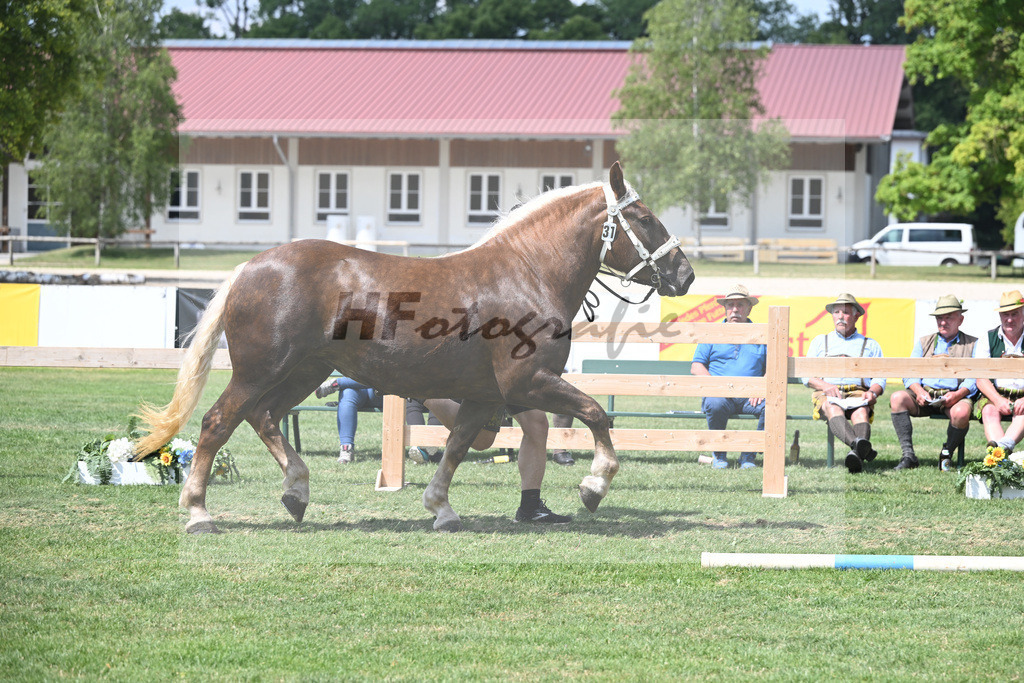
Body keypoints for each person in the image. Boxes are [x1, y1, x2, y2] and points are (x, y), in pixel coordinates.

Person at [421, 398, 571, 524]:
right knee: (482, 439)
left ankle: (530, 507)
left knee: (536, 422)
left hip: (518, 367)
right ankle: (424, 394)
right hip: (495, 368)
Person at [889, 295, 978, 471]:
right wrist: (919, 390)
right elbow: (909, 372)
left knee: (961, 412)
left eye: (948, 317)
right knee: (897, 398)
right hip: (925, 395)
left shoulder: (973, 344)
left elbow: (975, 377)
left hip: (954, 396)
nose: (943, 322)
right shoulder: (924, 342)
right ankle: (908, 456)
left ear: (960, 320)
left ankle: (947, 453)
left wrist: (957, 395)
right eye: (939, 318)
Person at [804, 293, 885, 473]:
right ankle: (861, 449)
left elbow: (880, 378)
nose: (840, 316)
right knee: (833, 408)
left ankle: (856, 454)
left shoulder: (871, 345)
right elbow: (806, 376)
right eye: (837, 312)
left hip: (858, 393)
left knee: (861, 412)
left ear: (856, 316)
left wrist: (873, 392)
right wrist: (825, 386)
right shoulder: (819, 341)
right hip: (828, 392)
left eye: (846, 312)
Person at [690, 285, 767, 469]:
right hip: (720, 395)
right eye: (730, 305)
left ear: (749, 308)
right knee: (715, 403)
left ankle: (749, 455)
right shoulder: (712, 333)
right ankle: (719, 454)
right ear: (724, 309)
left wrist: (761, 387)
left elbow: (774, 367)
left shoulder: (762, 334)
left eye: (740, 305)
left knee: (773, 406)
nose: (734, 310)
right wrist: (715, 387)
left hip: (751, 397)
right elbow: (696, 366)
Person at [974, 290, 1024, 454]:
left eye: (1014, 314)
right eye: (1005, 314)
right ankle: (1003, 454)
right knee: (988, 410)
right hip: (996, 393)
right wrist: (997, 399)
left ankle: (1000, 452)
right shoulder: (987, 338)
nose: (1009, 319)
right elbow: (980, 378)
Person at [315, 376, 381, 463]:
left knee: (379, 377)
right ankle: (346, 448)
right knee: (347, 392)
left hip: (383, 393)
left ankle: (336, 384)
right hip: (362, 389)